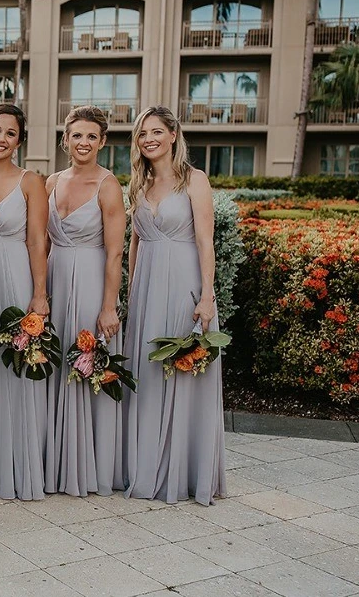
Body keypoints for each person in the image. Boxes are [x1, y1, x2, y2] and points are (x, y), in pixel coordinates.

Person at [123, 106, 226, 506]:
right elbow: (134, 241)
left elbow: (205, 241)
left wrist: (206, 295)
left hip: (184, 282)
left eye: (155, 131)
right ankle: (145, 463)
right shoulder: (138, 184)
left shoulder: (194, 180)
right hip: (147, 287)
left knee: (184, 371)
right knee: (149, 371)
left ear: (172, 135)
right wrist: (132, 291)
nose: (148, 139)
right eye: (142, 133)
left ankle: (184, 471)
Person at [44, 105, 127, 497]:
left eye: (92, 136)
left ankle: (87, 463)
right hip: (56, 275)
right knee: (55, 358)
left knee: (85, 357)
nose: (84, 142)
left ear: (103, 142)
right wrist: (39, 291)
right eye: (77, 135)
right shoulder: (52, 182)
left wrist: (108, 306)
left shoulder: (108, 185)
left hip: (91, 276)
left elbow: (115, 253)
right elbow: (40, 242)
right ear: (66, 138)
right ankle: (55, 461)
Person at [0, 104, 50, 501]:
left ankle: (18, 464)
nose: (1, 138)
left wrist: (39, 292)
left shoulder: (30, 181)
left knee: (15, 361)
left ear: (19, 141)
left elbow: (38, 240)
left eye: (10, 133)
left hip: (15, 274)